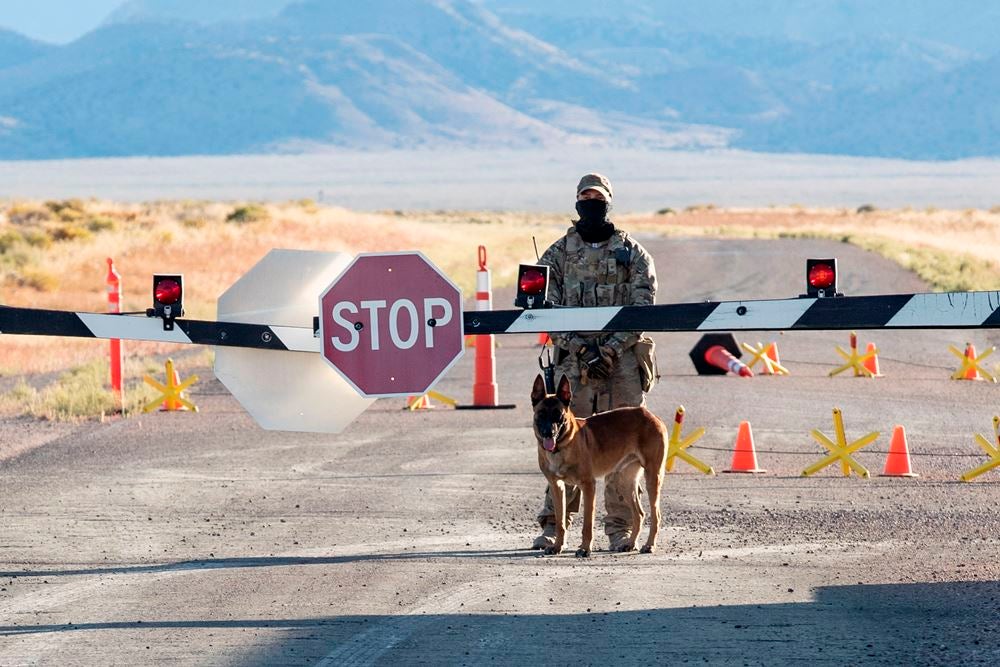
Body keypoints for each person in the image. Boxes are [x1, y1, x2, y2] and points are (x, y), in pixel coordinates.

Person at [531, 172, 658, 552]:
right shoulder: (557, 254)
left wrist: (611, 350)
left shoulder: (632, 253)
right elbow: (543, 308)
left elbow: (643, 308)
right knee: (561, 446)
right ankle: (555, 525)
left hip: (619, 366)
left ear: (608, 202)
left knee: (623, 450)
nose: (591, 203)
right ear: (576, 202)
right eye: (585, 196)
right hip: (574, 365)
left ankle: (619, 528)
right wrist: (580, 349)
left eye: (597, 197)